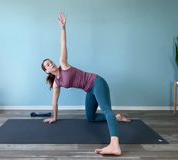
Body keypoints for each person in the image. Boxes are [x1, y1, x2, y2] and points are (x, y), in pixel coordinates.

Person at [41, 12, 129, 155]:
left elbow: (63, 44)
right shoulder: (57, 83)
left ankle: (115, 145)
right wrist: (54, 117)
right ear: (47, 71)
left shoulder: (63, 64)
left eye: (50, 62)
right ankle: (117, 118)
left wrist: (63, 28)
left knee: (106, 110)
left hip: (97, 82)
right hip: (89, 90)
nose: (51, 64)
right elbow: (54, 102)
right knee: (91, 118)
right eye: (48, 65)